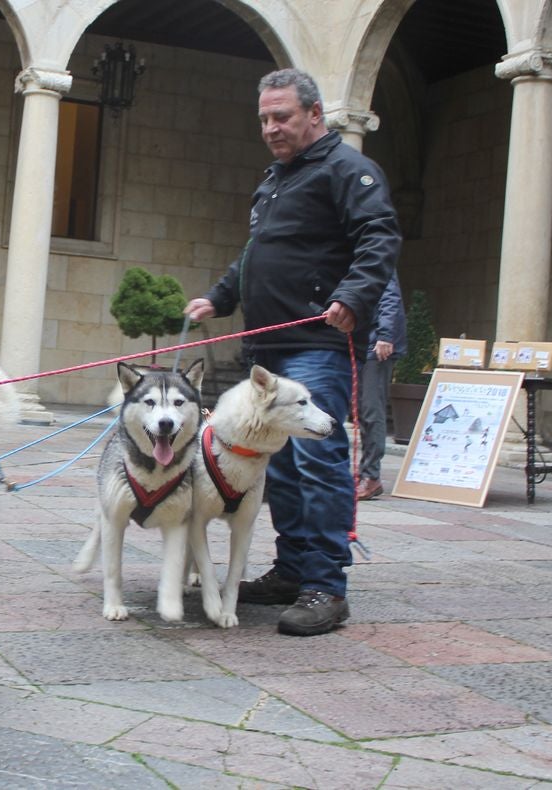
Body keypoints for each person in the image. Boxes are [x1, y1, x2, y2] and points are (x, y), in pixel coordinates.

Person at [185, 68, 400, 636]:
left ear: (314, 115)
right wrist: (219, 296)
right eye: (264, 118)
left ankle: (326, 585)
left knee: (316, 460)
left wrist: (353, 297)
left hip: (318, 346)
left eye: (282, 116)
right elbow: (256, 253)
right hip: (268, 347)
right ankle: (291, 570)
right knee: (273, 462)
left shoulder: (348, 170)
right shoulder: (275, 180)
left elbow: (380, 238)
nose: (271, 127)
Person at [357, 273, 407, 501]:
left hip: (376, 345)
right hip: (358, 342)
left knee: (371, 410)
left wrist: (385, 335)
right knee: (359, 410)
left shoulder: (374, 251)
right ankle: (362, 474)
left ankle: (371, 477)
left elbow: (389, 298)